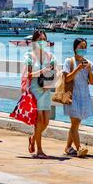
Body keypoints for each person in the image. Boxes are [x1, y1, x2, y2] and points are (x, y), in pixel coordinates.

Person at [23, 30, 56, 159]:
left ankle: (33, 138)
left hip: (46, 89)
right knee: (39, 120)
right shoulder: (29, 56)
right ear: (34, 42)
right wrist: (43, 70)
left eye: (44, 39)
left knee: (46, 121)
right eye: (39, 40)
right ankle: (40, 150)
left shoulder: (50, 56)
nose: (42, 42)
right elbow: (29, 74)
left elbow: (55, 72)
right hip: (35, 89)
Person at [63, 38, 93, 158]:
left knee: (75, 124)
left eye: (84, 47)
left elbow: (92, 82)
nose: (83, 49)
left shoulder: (89, 63)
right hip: (72, 95)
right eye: (80, 47)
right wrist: (78, 69)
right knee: (75, 122)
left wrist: (89, 71)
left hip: (84, 96)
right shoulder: (69, 61)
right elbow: (67, 78)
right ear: (75, 48)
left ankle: (68, 147)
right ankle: (79, 148)